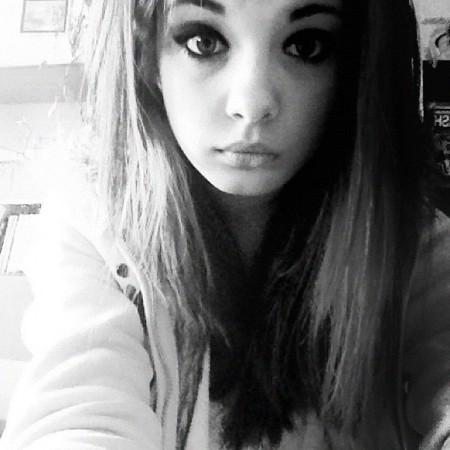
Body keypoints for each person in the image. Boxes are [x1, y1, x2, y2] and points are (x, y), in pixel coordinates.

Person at [1, 0, 450, 448]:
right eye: (203, 41)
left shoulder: (412, 243)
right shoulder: (96, 229)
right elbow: (79, 413)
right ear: (144, 53)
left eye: (306, 46)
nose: (252, 105)